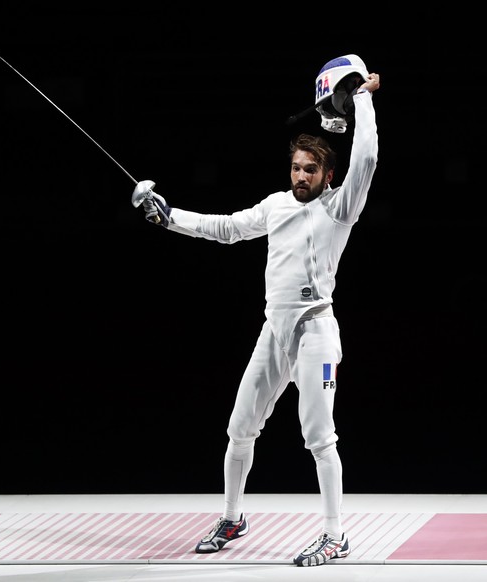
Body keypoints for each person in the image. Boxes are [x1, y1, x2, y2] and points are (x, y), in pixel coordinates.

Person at [134, 61, 380, 567]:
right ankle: (232, 516)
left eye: (310, 170)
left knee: (319, 435)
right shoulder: (274, 207)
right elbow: (223, 227)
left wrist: (362, 98)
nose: (301, 177)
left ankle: (335, 534)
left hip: (316, 331)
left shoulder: (340, 207)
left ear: (327, 175)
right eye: (296, 168)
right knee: (240, 427)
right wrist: (169, 217)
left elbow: (369, 158)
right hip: (275, 331)